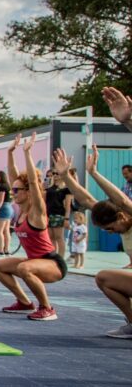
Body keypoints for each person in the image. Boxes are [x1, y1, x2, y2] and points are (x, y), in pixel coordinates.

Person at [53, 143, 132, 337]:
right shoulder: (118, 220)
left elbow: (122, 201)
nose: (111, 233)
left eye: (111, 228)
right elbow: (87, 200)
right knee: (104, 278)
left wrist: (94, 173)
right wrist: (66, 176)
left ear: (121, 216)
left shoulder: (127, 212)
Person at [0, 133, 67, 320]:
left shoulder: (36, 211)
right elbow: (13, 176)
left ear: (28, 192)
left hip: (53, 264)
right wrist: (10, 153)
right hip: (33, 261)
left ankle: (47, 308)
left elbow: (32, 182)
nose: (13, 193)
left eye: (17, 190)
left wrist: (27, 153)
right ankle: (24, 302)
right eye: (13, 190)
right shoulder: (20, 209)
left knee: (25, 269)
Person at [43, 169, 72, 259]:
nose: (55, 175)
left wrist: (66, 218)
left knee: (59, 237)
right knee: (51, 237)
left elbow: (67, 205)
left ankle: (61, 258)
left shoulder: (66, 189)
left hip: (59, 214)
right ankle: (54, 257)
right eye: (53, 174)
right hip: (49, 214)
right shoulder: (49, 188)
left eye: (57, 173)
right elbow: (44, 201)